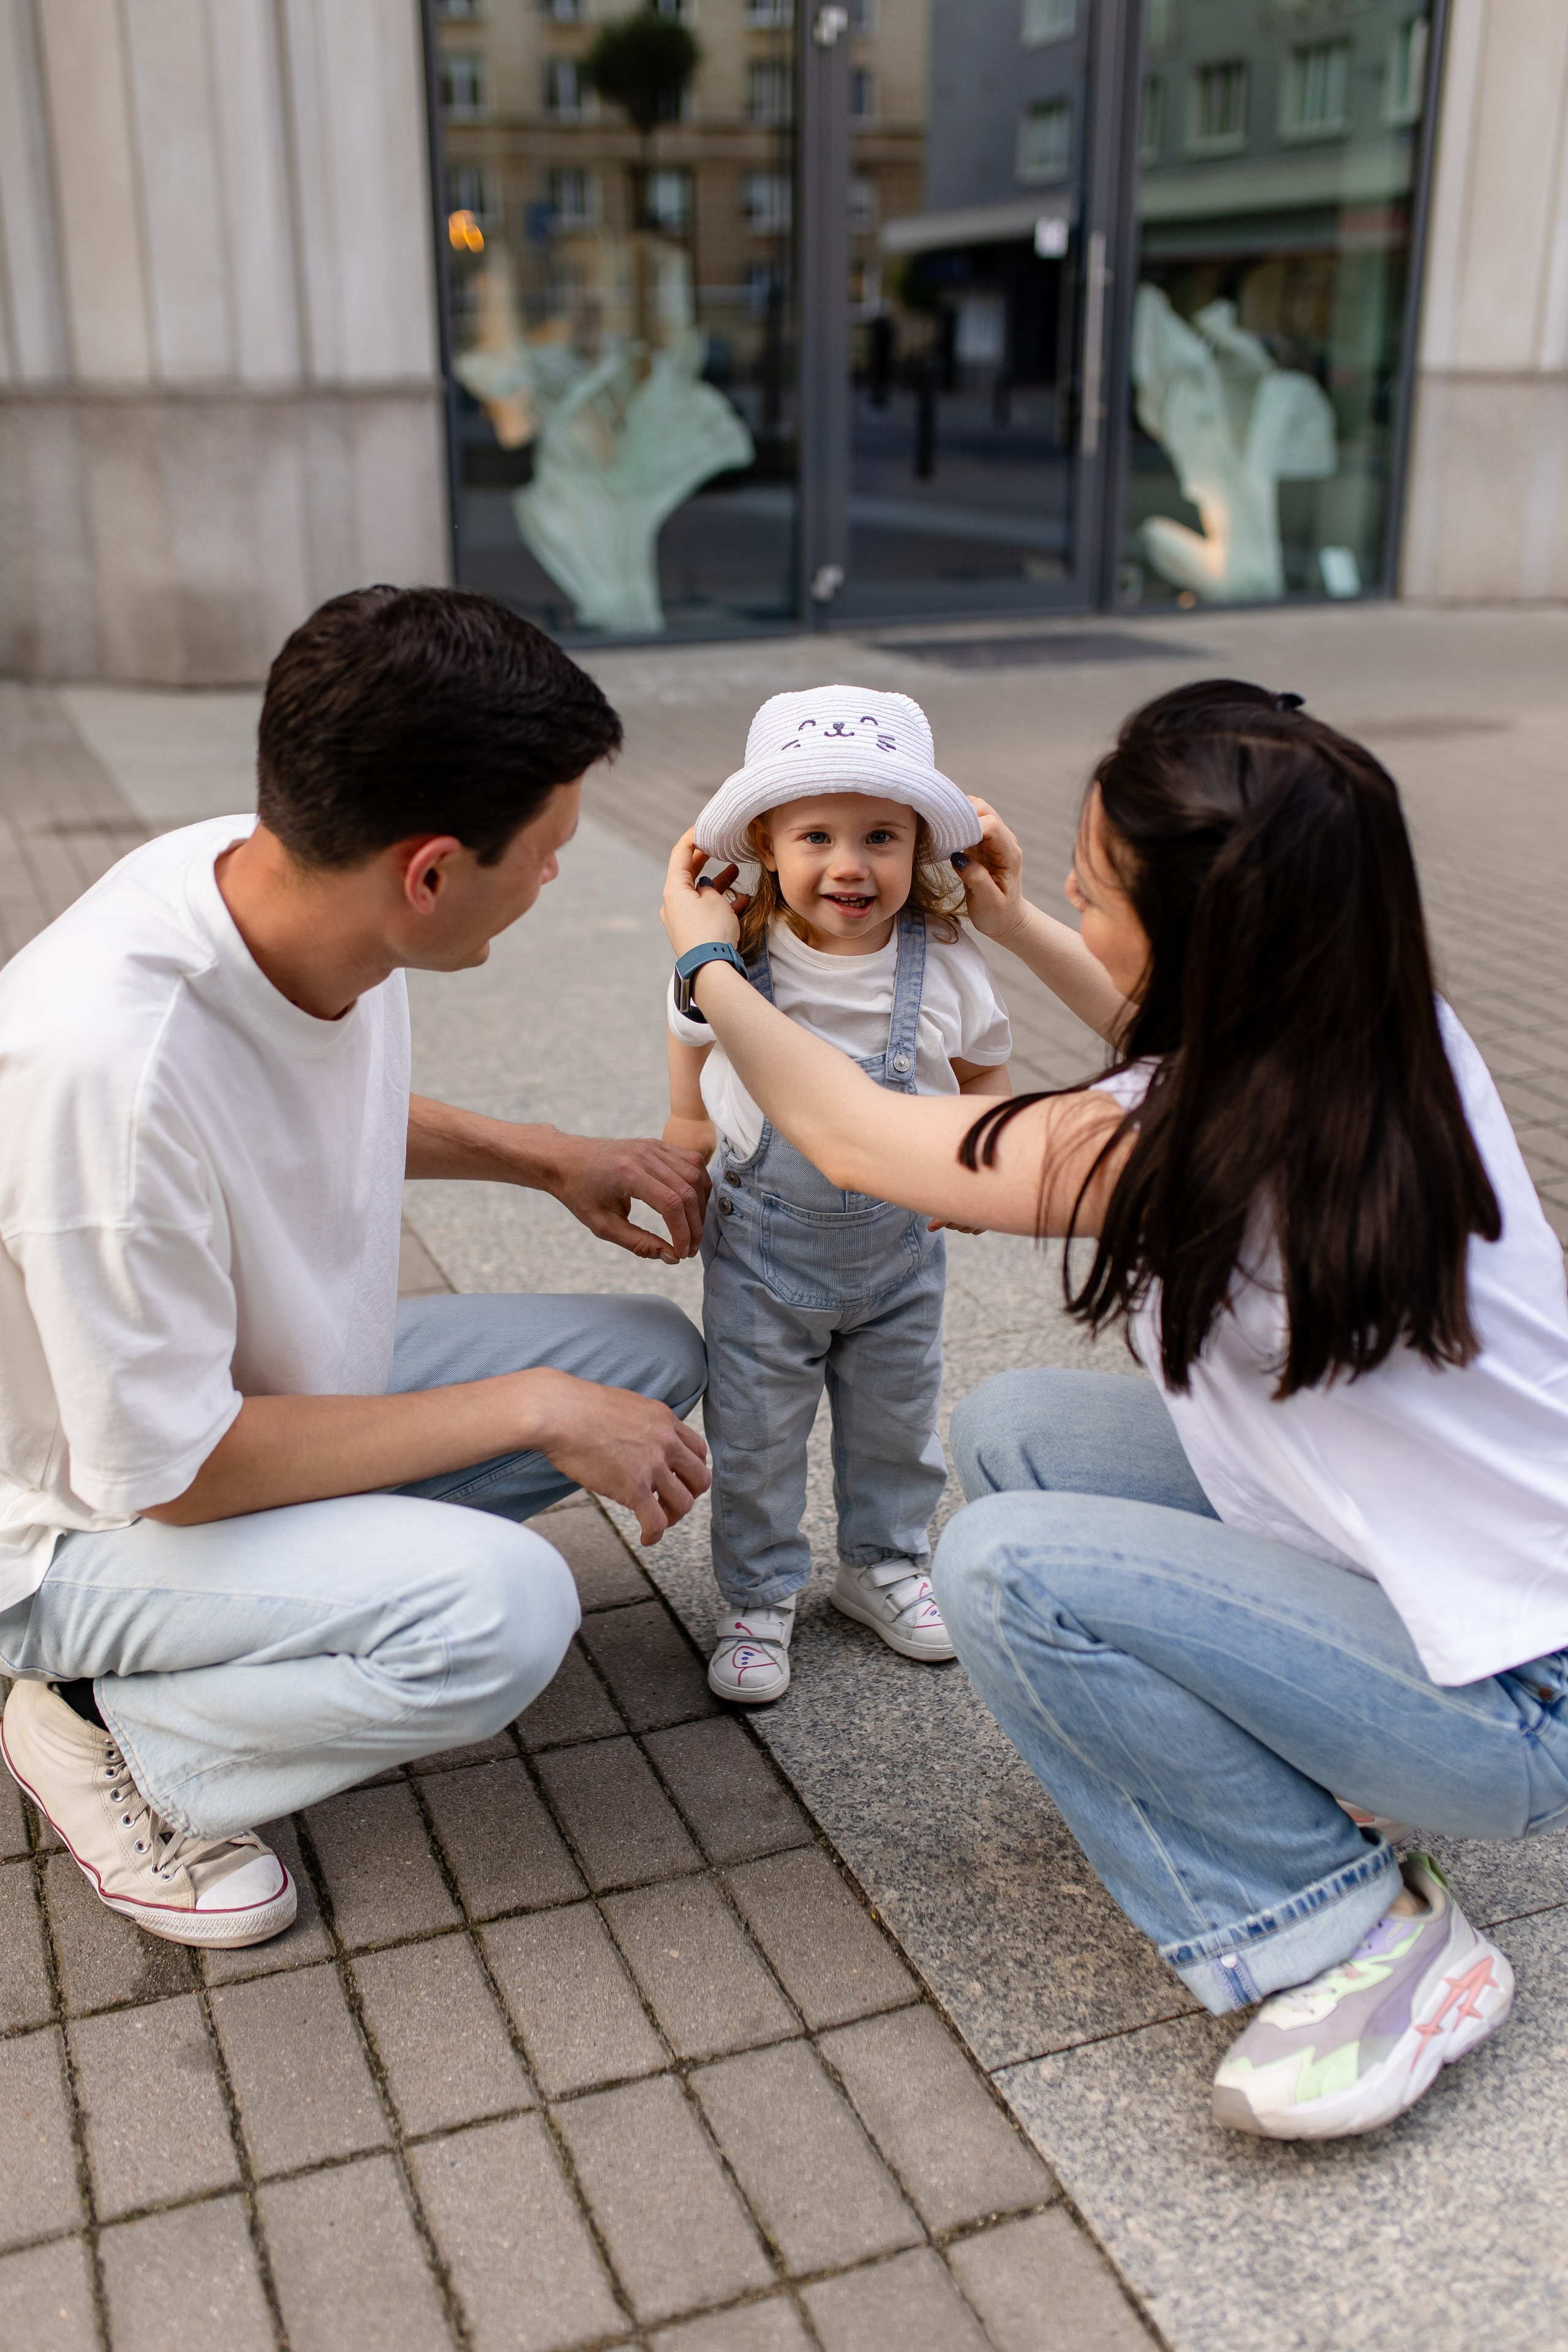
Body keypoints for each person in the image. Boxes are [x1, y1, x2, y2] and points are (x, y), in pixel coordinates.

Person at [660, 677, 1568, 2143]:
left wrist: (705, 971)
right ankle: (1315, 1781)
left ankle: (1346, 1937)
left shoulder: (1173, 1153)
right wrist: (1017, 925)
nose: (1066, 887)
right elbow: (1165, 1031)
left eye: (1091, 883)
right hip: (1470, 1595)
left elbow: (858, 1135)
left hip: (1523, 1699)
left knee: (1004, 1569)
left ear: (1200, 925)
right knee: (1020, 1431)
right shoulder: (1375, 1035)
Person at [0, 586, 710, 1952]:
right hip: (68, 1522)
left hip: (226, 1404)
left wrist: (548, 1157)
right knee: (503, 1615)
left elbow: (305, 1098)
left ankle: (182, 1670)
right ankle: (104, 1729)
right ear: (430, 872)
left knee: (645, 1356)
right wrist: (530, 1411)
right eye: (549, 852)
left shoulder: (273, 881)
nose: (559, 875)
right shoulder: (105, 1072)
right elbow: (181, 1473)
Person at [663, 685, 1011, 1702]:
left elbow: (987, 1067)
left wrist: (974, 1164)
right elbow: (691, 1047)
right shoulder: (734, 960)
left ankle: (886, 1566)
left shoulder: (943, 959)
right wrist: (684, 1140)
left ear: (920, 850)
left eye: (882, 837)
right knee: (758, 1431)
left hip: (900, 1254)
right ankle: (759, 1595)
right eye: (816, 834)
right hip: (761, 1257)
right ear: (766, 841)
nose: (850, 865)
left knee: (898, 1423)